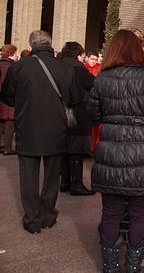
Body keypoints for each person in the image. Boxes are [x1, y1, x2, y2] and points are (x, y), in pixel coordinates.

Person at [87, 29, 144, 273]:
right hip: (142, 149)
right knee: (140, 213)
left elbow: (93, 115)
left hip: (110, 149)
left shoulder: (102, 78)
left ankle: (109, 266)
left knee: (110, 212)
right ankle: (133, 267)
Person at [1, 30, 82, 234]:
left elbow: (7, 97)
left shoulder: (19, 67)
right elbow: (75, 97)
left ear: (31, 45)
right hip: (57, 127)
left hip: (27, 126)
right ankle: (48, 214)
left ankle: (32, 219)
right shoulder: (65, 68)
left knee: (28, 177)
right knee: (52, 176)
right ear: (50, 43)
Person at [58, 42, 95, 196]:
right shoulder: (78, 69)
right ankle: (76, 184)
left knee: (65, 148)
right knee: (76, 150)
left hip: (60, 111)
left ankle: (65, 181)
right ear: (78, 55)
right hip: (78, 112)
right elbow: (93, 83)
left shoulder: (58, 65)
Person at [0, 44, 18, 155]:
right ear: (11, 53)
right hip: (8, 96)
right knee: (10, 122)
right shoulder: (13, 66)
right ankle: (7, 147)